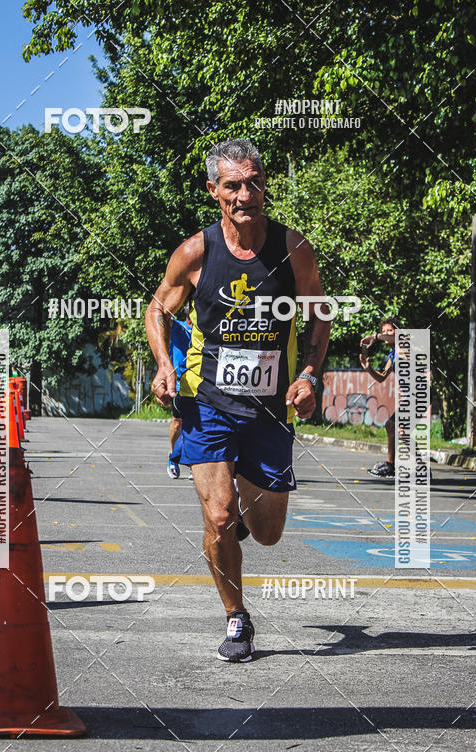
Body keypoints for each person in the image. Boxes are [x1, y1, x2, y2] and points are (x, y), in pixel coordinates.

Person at [145, 138, 330, 662]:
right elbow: (157, 309)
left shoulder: (294, 250)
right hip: (208, 405)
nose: (245, 194)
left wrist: (311, 376)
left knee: (267, 534)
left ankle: (237, 531)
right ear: (214, 191)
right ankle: (236, 620)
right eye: (233, 185)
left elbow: (320, 315)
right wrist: (164, 365)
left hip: (270, 410)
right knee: (220, 517)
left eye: (254, 183)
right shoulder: (196, 253)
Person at [359, 317, 398, 478]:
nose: (386, 334)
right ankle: (397, 465)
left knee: (396, 428)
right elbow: (382, 377)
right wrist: (368, 369)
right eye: (383, 331)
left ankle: (392, 466)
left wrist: (374, 337)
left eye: (389, 330)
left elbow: (395, 338)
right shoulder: (392, 354)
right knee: (393, 427)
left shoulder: (403, 343)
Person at [167, 310, 193, 478]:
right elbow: (162, 314)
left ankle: (194, 464)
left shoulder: (207, 328)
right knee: (178, 423)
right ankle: (172, 458)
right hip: (179, 384)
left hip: (200, 384)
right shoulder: (178, 327)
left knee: (196, 425)